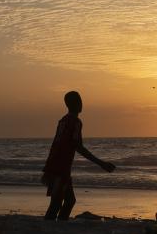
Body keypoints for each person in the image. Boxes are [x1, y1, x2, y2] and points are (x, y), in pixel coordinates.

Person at [41, 91, 115, 220]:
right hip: (61, 167)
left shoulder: (62, 121)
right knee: (57, 202)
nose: (82, 104)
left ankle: (59, 225)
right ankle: (53, 227)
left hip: (55, 165)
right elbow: (78, 147)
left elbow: (56, 144)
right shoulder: (75, 122)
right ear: (75, 104)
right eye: (79, 101)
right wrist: (101, 163)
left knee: (69, 201)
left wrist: (48, 167)